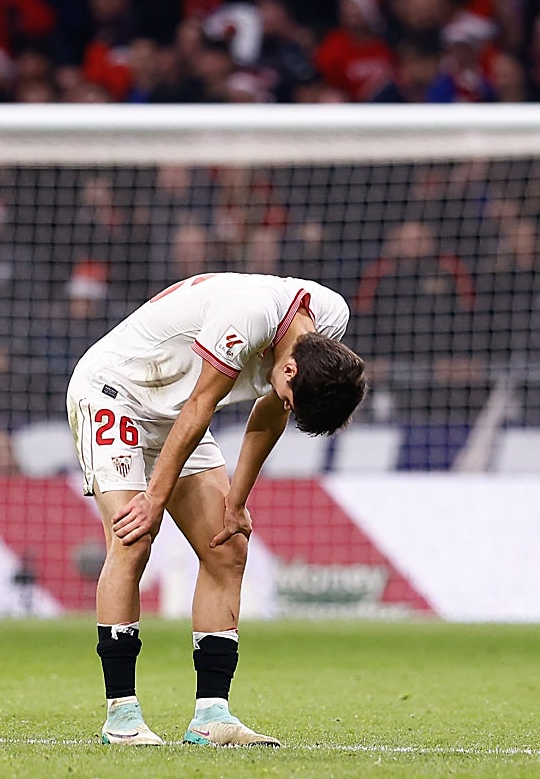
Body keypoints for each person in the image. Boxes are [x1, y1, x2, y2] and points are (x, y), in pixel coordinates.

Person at [66, 272, 367, 747]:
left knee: (228, 548)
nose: (287, 405)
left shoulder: (329, 321)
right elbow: (203, 404)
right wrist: (154, 498)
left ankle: (211, 717)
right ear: (289, 370)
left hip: (177, 412)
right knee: (134, 537)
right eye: (291, 397)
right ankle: (121, 717)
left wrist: (236, 504)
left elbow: (269, 412)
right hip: (116, 391)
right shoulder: (247, 315)